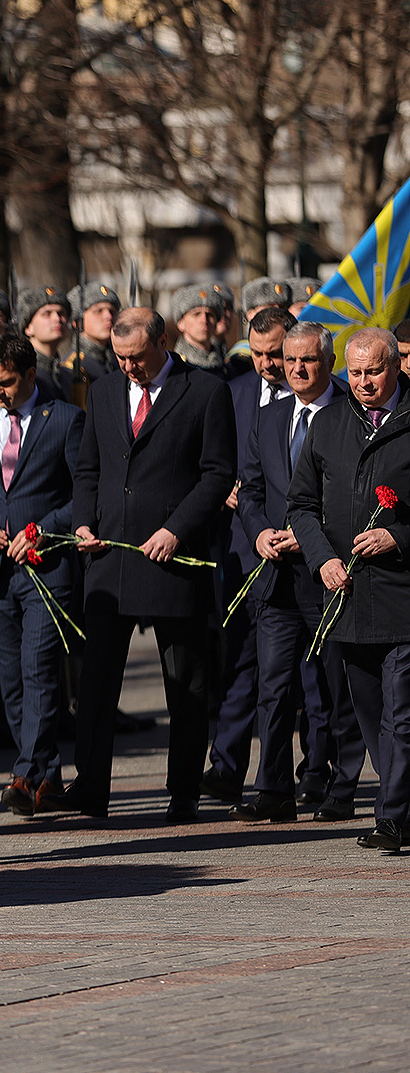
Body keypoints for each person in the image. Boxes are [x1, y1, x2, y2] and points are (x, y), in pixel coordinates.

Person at [65, 307, 235, 821]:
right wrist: (83, 523)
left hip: (172, 558)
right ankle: (91, 785)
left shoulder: (205, 392)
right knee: (96, 682)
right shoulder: (104, 390)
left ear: (163, 342)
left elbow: (216, 474)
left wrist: (176, 529)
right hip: (109, 557)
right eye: (119, 357)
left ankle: (183, 790)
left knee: (186, 684)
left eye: (136, 357)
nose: (128, 367)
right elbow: (89, 468)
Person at [235, 320, 363, 822]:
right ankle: (273, 790)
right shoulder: (269, 417)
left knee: (336, 688)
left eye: (308, 360)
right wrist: (259, 533)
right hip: (276, 578)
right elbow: (251, 488)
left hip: (327, 574)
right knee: (273, 687)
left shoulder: (351, 412)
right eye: (290, 360)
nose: (296, 369)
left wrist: (308, 537)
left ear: (330, 362)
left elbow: (354, 495)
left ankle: (341, 786)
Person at [288, 327, 410, 852]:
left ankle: (393, 816)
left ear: (396, 366)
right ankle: (401, 805)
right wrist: (322, 559)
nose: (363, 382)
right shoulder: (329, 423)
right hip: (347, 598)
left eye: (374, 371)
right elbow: (301, 505)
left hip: (403, 597)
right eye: (355, 372)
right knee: (371, 714)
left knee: (402, 715)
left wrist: (398, 536)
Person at [0, 334, 83, 815]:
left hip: (45, 570)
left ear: (30, 375)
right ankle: (46, 778)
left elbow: (84, 496)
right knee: (11, 680)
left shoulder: (66, 419)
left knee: (39, 671)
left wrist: (45, 530)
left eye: (7, 382)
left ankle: (25, 773)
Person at [203, 307, 297, 803]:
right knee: (240, 659)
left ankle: (316, 769)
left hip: (303, 547)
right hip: (243, 546)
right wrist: (224, 487)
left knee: (304, 672)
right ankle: (226, 765)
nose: (267, 363)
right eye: (258, 354)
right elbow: (210, 458)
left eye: (275, 353)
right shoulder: (233, 392)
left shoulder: (314, 394)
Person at [17, 286, 71, 400]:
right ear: (28, 327)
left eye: (61, 313)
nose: (57, 319)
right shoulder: (20, 374)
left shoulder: (68, 375)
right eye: (47, 314)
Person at [64, 283, 120, 388]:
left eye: (112, 311)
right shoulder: (74, 366)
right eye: (98, 311)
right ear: (77, 322)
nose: (108, 316)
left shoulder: (119, 360)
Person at [170, 284, 225, 374]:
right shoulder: (175, 367)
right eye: (196, 314)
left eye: (210, 314)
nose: (204, 320)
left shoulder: (225, 365)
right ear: (181, 323)